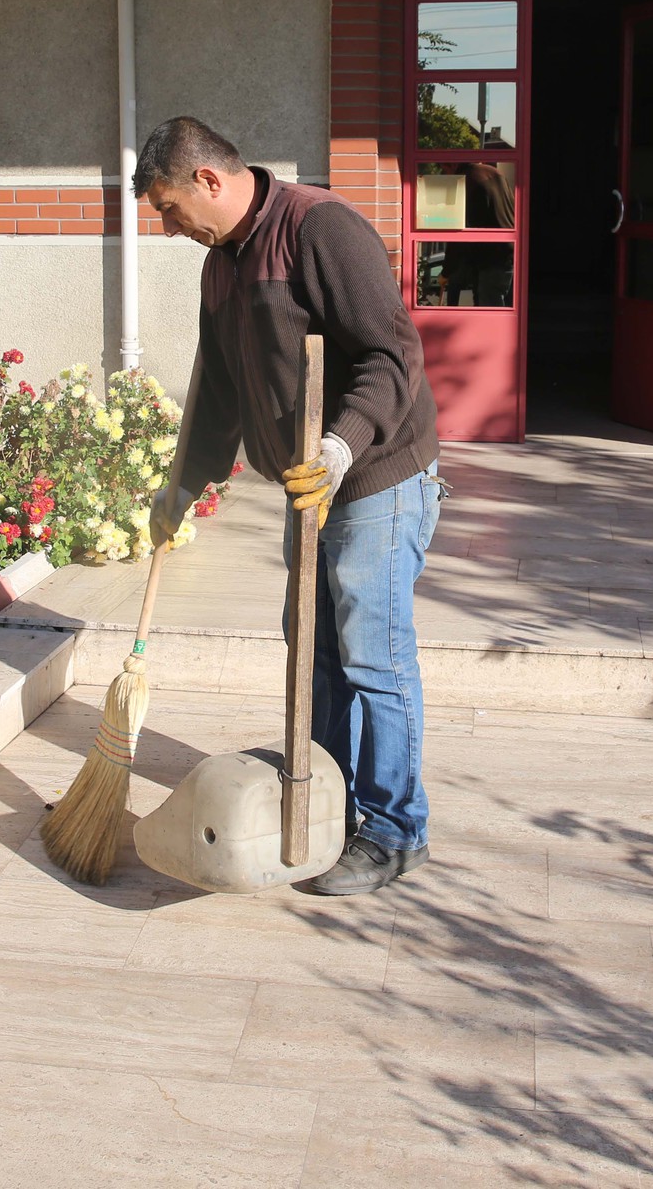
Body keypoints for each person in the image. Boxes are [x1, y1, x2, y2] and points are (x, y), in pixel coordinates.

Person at [135, 117, 444, 897]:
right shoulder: (221, 266)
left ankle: (395, 828)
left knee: (370, 652)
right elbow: (219, 391)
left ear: (208, 179)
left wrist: (341, 444)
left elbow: (391, 351)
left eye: (170, 210)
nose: (171, 230)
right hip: (306, 488)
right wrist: (185, 481)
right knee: (312, 647)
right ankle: (328, 802)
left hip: (374, 476)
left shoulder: (318, 228)